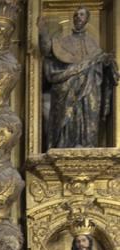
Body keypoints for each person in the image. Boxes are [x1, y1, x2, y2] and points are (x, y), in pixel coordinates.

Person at [39, 7, 119, 150]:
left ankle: (87, 143)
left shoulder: (93, 44)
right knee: (69, 116)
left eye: (81, 15)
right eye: (75, 15)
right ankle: (65, 144)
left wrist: (107, 62)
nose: (78, 17)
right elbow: (47, 50)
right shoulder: (64, 42)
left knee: (88, 113)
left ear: (87, 19)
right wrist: (43, 31)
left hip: (90, 88)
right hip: (68, 88)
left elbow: (99, 62)